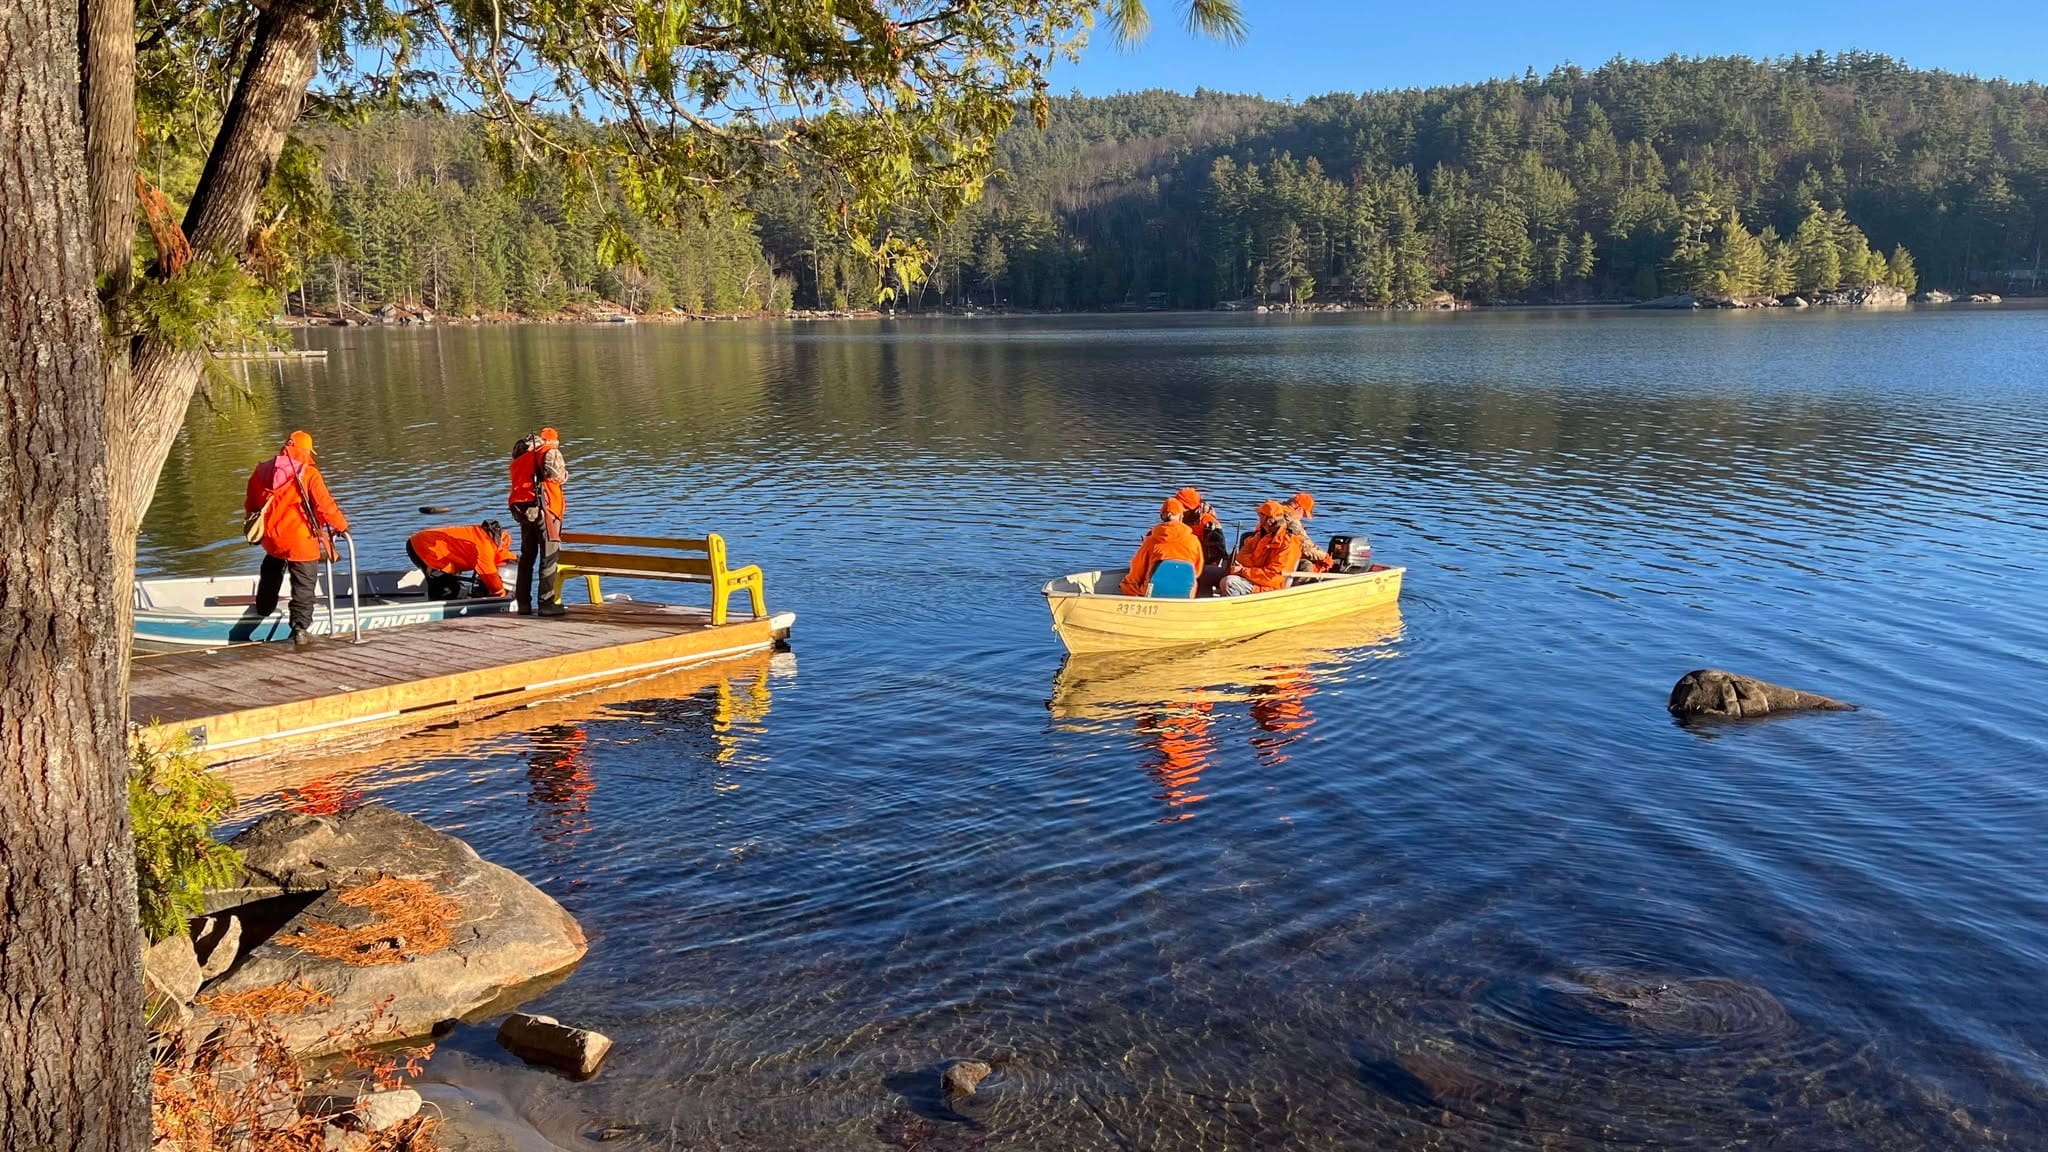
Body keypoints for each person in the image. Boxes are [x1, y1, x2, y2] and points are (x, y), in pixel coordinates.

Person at [243, 430, 348, 648]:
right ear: (306, 451)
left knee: (271, 568)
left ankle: (263, 608)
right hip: (301, 539)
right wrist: (342, 526)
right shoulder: (308, 474)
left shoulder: (261, 471)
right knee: (303, 584)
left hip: (272, 538)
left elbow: (251, 506)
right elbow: (325, 506)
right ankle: (300, 628)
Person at [508, 427, 568, 617]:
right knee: (549, 557)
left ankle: (523, 603)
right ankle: (546, 603)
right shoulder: (550, 452)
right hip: (545, 509)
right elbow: (556, 477)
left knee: (527, 558)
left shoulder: (520, 458)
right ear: (552, 441)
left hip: (524, 511)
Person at [1118, 496, 1206, 597]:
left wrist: (1126, 586)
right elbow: (1197, 571)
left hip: (1153, 593)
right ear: (1182, 517)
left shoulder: (1151, 542)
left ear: (1161, 516)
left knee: (1127, 585)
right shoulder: (1194, 541)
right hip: (1186, 593)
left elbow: (1137, 572)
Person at [407, 520, 515, 601]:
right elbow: (489, 574)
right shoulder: (485, 547)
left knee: (447, 584)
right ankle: (436, 610)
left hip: (423, 542)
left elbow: (500, 558)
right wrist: (501, 594)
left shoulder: (484, 536)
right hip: (424, 548)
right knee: (449, 591)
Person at [1220, 500, 1303, 596]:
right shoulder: (1261, 535)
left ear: (1269, 520)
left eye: (1261, 516)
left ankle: (1238, 608)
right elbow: (1241, 557)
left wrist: (1243, 570)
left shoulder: (1288, 544)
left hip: (1270, 588)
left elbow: (1273, 577)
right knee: (1207, 573)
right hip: (1252, 577)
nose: (1259, 519)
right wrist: (1244, 569)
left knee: (1229, 582)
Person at [1285, 490, 1332, 571]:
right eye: (1304, 514)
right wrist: (1325, 557)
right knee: (1307, 565)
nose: (1302, 518)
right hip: (1281, 560)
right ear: (1299, 509)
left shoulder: (1276, 514)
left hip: (1267, 556)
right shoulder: (1292, 523)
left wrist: (1319, 551)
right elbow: (1306, 549)